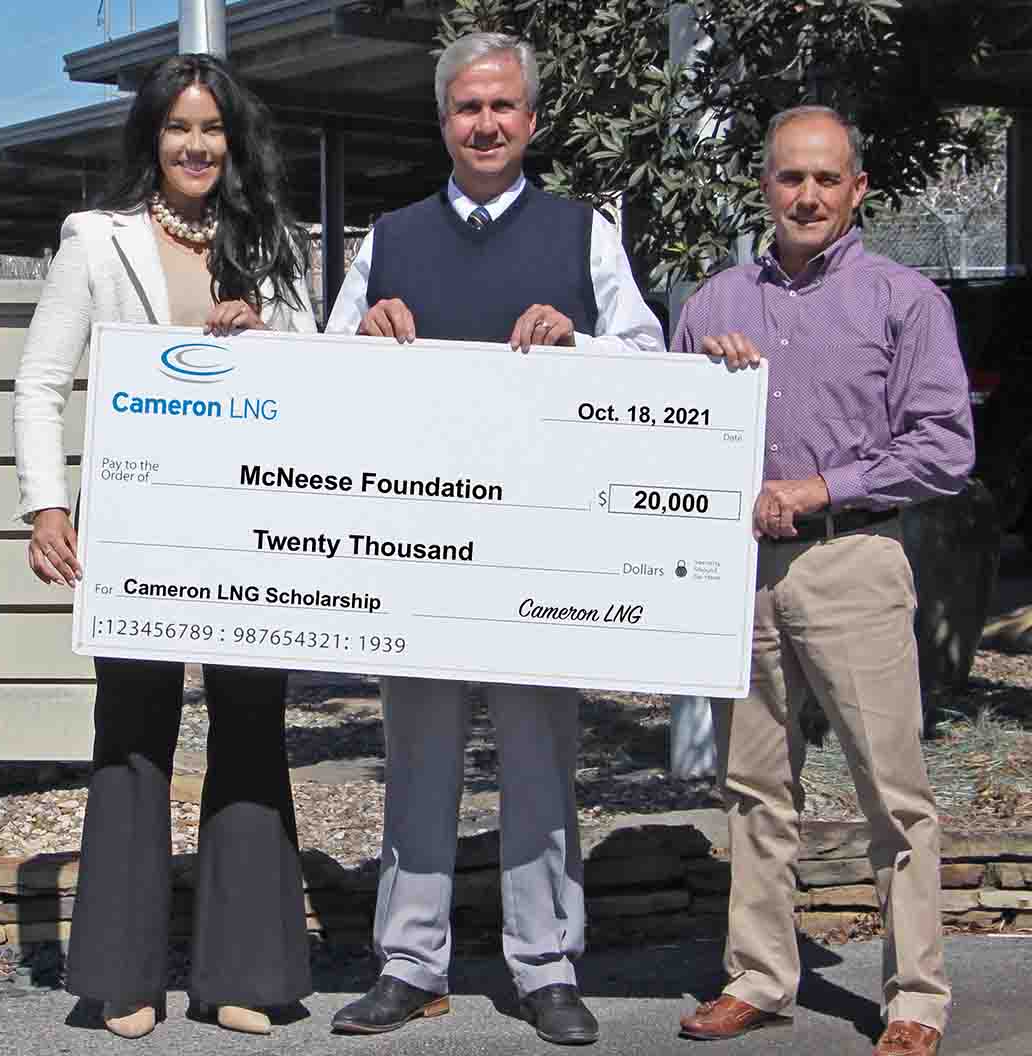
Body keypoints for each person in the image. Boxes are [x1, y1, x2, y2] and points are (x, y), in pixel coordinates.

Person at [322, 31, 664, 1047]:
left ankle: (546, 965)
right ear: (443, 121)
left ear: (530, 119)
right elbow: (324, 385)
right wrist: (362, 338)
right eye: (468, 108)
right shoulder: (385, 241)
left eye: (503, 108)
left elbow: (650, 362)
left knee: (538, 763)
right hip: (417, 556)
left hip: (537, 556)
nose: (485, 124)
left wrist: (583, 344)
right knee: (417, 761)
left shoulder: (584, 235)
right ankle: (409, 962)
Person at [11, 53, 319, 1039]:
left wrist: (259, 332)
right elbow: (39, 381)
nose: (196, 145)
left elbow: (321, 377)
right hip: (140, 531)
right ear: (152, 136)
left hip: (251, 530)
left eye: (213, 129)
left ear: (235, 142)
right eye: (179, 127)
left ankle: (244, 973)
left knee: (250, 733)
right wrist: (46, 506)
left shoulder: (277, 244)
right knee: (133, 736)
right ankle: (124, 977)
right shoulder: (96, 244)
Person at [675, 104, 970, 1056]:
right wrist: (704, 391)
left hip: (854, 560)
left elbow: (944, 448)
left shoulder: (905, 301)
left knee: (894, 795)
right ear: (763, 185)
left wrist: (818, 487)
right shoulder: (711, 305)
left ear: (857, 191)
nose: (806, 195)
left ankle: (915, 997)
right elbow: (665, 439)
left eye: (825, 179)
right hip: (743, 573)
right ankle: (759, 976)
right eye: (788, 177)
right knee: (754, 787)